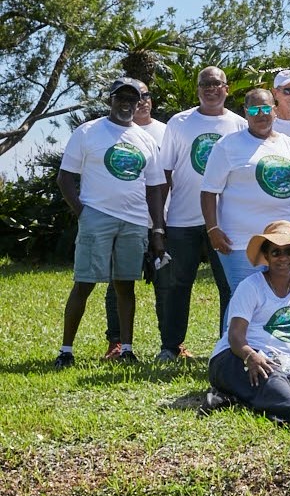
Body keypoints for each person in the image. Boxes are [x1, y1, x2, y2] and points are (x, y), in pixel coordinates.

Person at [54, 78, 167, 367]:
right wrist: (84, 213)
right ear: (111, 100)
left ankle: (126, 349)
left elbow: (155, 187)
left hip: (134, 222)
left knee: (125, 285)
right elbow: (65, 177)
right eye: (122, 97)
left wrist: (156, 228)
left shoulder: (146, 139)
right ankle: (66, 351)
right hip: (97, 217)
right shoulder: (89, 132)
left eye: (134, 98)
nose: (128, 103)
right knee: (84, 283)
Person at [206, 221, 290, 435]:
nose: (283, 258)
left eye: (289, 252)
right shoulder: (250, 286)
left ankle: (242, 396)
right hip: (234, 357)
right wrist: (251, 357)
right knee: (271, 376)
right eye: (276, 252)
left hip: (279, 364)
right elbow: (235, 335)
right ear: (266, 256)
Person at [150, 67, 245, 361]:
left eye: (216, 83)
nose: (211, 88)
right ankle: (171, 346)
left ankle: (226, 347)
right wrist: (159, 221)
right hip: (181, 218)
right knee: (177, 284)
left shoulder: (240, 125)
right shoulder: (179, 122)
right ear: (197, 89)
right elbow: (164, 172)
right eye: (205, 84)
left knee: (229, 286)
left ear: (227, 89)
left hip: (224, 221)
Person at [201, 88, 290, 309]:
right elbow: (209, 191)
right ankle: (233, 345)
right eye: (255, 109)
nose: (261, 114)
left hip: (284, 240)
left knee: (279, 300)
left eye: (266, 108)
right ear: (246, 112)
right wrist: (212, 230)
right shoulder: (228, 146)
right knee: (243, 299)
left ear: (275, 111)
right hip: (240, 240)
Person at [103, 78, 166, 358]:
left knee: (166, 283)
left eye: (145, 95)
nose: (140, 101)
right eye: (134, 96)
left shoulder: (166, 131)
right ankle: (116, 342)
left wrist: (160, 225)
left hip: (161, 219)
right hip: (122, 218)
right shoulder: (110, 131)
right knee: (118, 283)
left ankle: (172, 343)